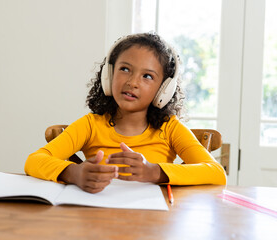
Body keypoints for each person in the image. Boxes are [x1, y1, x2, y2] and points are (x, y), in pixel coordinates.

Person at [25, 32, 227, 193]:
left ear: (164, 90)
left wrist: (154, 172)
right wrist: (74, 173)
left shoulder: (170, 128)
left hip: (152, 221)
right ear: (109, 75)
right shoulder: (90, 125)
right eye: (125, 69)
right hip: (94, 219)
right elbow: (33, 161)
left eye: (147, 76)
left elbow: (217, 173)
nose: (132, 82)